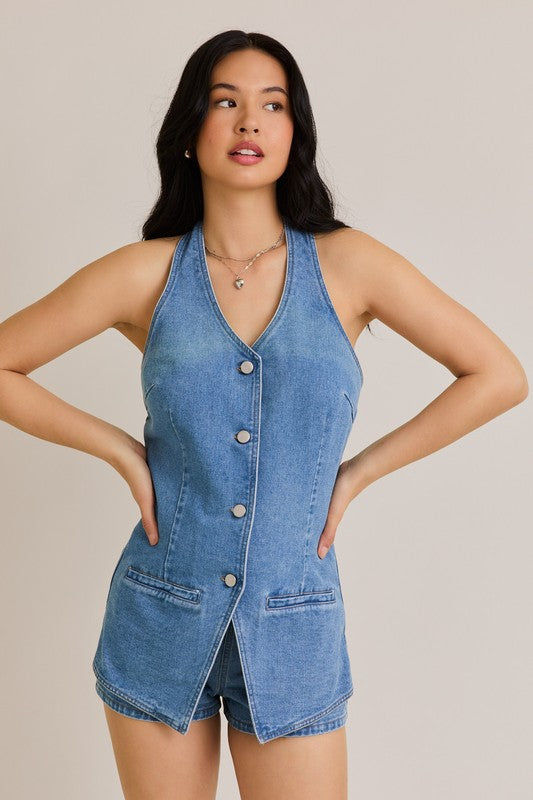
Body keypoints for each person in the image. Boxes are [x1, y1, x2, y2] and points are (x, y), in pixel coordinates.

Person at [0, 29, 528, 800]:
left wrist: (355, 475)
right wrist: (117, 449)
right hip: (159, 612)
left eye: (272, 105)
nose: (250, 120)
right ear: (189, 131)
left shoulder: (349, 264)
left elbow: (498, 375)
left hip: (295, 622)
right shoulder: (144, 274)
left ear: (294, 133)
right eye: (225, 101)